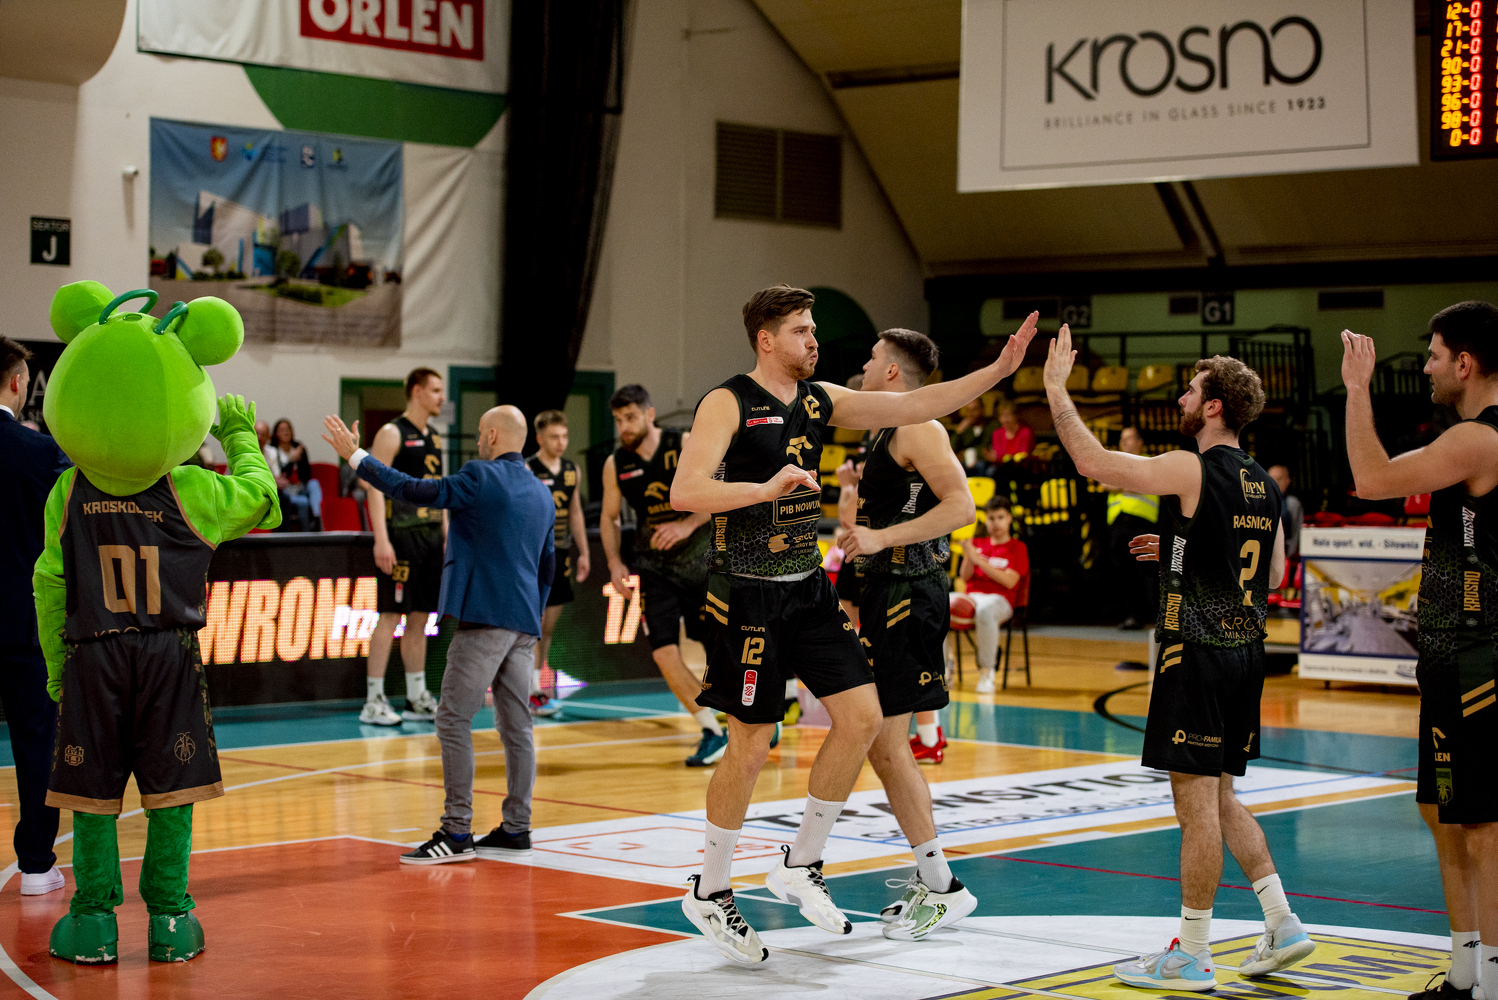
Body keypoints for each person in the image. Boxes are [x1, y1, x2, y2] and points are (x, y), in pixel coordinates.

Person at [670, 283, 1037, 966]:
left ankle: (801, 864)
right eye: (802, 330)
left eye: (814, 329)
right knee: (751, 743)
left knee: (864, 716)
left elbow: (916, 404)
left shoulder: (820, 400)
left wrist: (997, 371)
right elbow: (685, 490)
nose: (814, 340)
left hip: (807, 589)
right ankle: (710, 889)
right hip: (747, 595)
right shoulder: (728, 401)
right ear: (766, 340)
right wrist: (763, 489)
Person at [1042, 324, 1313, 991]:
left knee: (1195, 807)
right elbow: (1274, 573)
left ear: (1214, 406)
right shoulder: (1263, 483)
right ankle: (1282, 921)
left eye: (1191, 391)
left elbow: (1094, 463)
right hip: (1247, 656)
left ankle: (1192, 952)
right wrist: (1186, 550)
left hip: (1196, 656)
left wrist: (1056, 389)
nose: (1182, 399)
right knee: (1221, 796)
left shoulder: (1195, 466)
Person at [1340, 303, 1498, 1000]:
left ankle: (1492, 983)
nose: (1427, 367)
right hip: (1447, 653)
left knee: (1483, 822)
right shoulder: (1469, 439)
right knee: (1442, 812)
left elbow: (1371, 479)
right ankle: (1465, 973)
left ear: (1465, 362)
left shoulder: (1480, 439)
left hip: (1479, 655)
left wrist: (1357, 388)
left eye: (1434, 355)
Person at [322, 405, 555, 866]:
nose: (477, 440)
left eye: (480, 433)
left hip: (484, 618)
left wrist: (356, 456)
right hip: (524, 622)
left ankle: (457, 830)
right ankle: (516, 828)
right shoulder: (542, 493)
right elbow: (548, 567)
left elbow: (413, 490)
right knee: (517, 728)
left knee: (452, 718)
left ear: (492, 436)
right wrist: (531, 616)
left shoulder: (479, 476)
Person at [835, 328, 979, 940]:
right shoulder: (884, 428)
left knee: (888, 744)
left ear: (892, 371)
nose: (865, 365)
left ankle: (943, 886)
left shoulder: (920, 426)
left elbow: (962, 508)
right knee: (881, 743)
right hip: (885, 593)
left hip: (909, 595)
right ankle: (936, 879)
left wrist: (881, 538)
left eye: (873, 358)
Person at [601, 384, 725, 766]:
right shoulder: (616, 463)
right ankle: (712, 730)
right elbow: (609, 517)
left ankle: (755, 718)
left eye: (630, 417)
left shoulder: (683, 443)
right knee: (664, 653)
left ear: (650, 414)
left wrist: (687, 525)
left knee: (722, 652)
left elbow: (720, 493)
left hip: (703, 563)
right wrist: (614, 562)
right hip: (654, 568)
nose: (624, 426)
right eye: (618, 419)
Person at [0, 337, 69, 896]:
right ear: (18, 383)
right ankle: (37, 866)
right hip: (24, 625)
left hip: (23, 625)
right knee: (36, 745)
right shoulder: (41, 453)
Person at [358, 368, 445, 726]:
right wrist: (381, 538)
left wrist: (446, 533)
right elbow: (373, 486)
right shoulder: (392, 432)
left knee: (421, 617)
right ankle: (373, 700)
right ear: (417, 391)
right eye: (436, 390)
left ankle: (416, 696)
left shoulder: (435, 436)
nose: (441, 397)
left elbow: (439, 490)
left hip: (431, 537)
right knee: (391, 615)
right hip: (401, 536)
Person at [528, 410, 589, 716]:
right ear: (539, 438)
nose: (561, 442)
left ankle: (537, 687)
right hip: (534, 555)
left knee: (548, 627)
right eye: (554, 437)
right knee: (533, 626)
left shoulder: (571, 470)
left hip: (561, 554)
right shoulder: (528, 468)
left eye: (564, 436)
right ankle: (529, 690)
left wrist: (584, 551)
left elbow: (576, 511)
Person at [956, 495, 1029, 693]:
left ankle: (987, 673)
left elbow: (1009, 581)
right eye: (991, 518)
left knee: (985, 611)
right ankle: (943, 670)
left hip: (1001, 601)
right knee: (939, 604)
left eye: (1000, 517)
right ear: (985, 520)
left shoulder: (1018, 548)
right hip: (972, 596)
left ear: (1009, 519)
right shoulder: (977, 543)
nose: (995, 523)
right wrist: (969, 557)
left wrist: (979, 560)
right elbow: (965, 577)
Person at [1103, 427, 1160, 631]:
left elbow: (1144, 484)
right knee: (1123, 572)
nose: (1124, 442)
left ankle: (1157, 617)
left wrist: (1120, 482)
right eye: (1122, 438)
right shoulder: (1115, 463)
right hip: (1118, 523)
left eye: (1129, 438)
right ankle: (1132, 616)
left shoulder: (1150, 462)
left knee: (1147, 570)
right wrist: (1129, 482)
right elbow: (1104, 483)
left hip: (1142, 522)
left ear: (1139, 442)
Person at [265, 418, 323, 532]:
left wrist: (300, 459)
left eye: (288, 429)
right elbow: (280, 476)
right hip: (285, 489)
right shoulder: (273, 450)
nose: (286, 432)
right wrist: (291, 461)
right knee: (303, 502)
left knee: (314, 483)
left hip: (300, 486)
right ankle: (307, 534)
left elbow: (307, 474)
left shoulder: (299, 447)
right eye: (282, 430)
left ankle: (317, 518)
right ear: (276, 433)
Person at [1267, 465, 1303, 562]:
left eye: (1279, 479)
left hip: (1285, 556)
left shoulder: (1292, 503)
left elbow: (1297, 533)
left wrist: (1288, 558)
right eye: (1272, 478)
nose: (1275, 482)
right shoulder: (1257, 501)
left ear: (1288, 481)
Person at [949, 398, 994, 473]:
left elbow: (988, 449)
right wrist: (958, 432)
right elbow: (951, 449)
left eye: (974, 409)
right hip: (966, 464)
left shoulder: (992, 426)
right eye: (968, 410)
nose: (971, 414)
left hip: (985, 463)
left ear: (982, 409)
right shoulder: (965, 429)